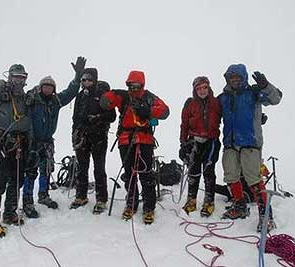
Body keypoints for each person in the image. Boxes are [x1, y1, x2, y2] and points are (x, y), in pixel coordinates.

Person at [219, 64, 282, 232]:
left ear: (243, 78)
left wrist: (265, 85)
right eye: (231, 78)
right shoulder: (223, 97)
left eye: (237, 78)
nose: (234, 81)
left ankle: (266, 216)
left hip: (250, 142)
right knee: (231, 175)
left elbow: (276, 99)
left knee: (253, 178)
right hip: (230, 143)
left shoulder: (254, 93)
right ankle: (240, 206)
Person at [100, 70, 169, 224]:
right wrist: (105, 95)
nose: (134, 89)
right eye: (131, 86)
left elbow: (165, 111)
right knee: (129, 174)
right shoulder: (123, 96)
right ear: (128, 85)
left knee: (145, 174)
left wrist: (148, 111)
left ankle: (149, 207)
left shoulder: (149, 97)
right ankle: (131, 204)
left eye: (137, 86)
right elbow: (106, 101)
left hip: (144, 139)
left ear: (142, 85)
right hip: (125, 139)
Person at [21, 57, 85, 218]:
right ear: (41, 87)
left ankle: (43, 195)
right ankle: (27, 201)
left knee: (47, 169)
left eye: (51, 87)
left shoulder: (56, 101)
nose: (48, 89)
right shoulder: (31, 100)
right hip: (32, 142)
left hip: (47, 142)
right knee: (30, 171)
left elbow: (70, 92)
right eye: (46, 86)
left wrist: (77, 77)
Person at [0, 64, 33, 237]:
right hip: (1, 142)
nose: (19, 80)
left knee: (17, 179)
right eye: (16, 76)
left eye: (22, 77)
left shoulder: (24, 98)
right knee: (0, 180)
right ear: (10, 77)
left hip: (19, 143)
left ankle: (9, 213)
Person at [69, 67, 117, 214]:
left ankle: (101, 199)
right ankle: (81, 196)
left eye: (89, 79)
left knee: (99, 168)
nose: (86, 82)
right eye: (83, 80)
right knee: (81, 168)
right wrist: (74, 134)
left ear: (94, 79)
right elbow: (75, 117)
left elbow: (112, 116)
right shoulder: (80, 96)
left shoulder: (103, 95)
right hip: (82, 136)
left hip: (98, 136)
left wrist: (98, 118)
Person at [179, 76, 221, 217]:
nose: (202, 91)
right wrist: (183, 144)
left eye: (204, 87)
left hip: (212, 141)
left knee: (209, 172)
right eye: (198, 88)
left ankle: (209, 202)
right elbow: (184, 124)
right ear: (194, 90)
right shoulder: (190, 104)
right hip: (194, 141)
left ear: (209, 87)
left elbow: (230, 116)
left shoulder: (216, 103)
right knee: (194, 171)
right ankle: (191, 200)